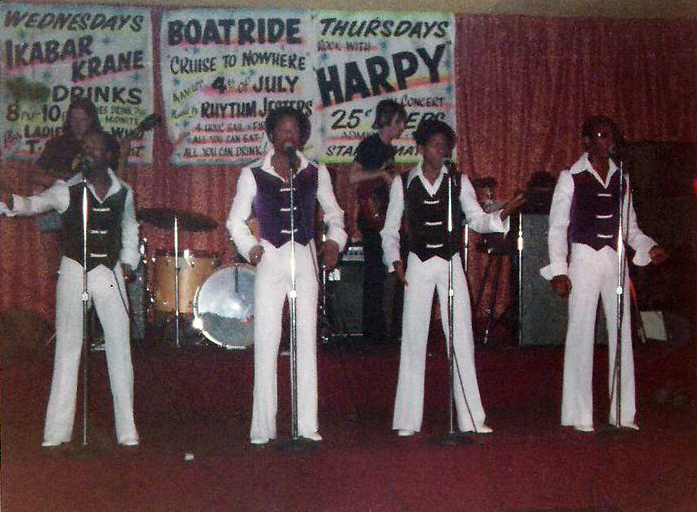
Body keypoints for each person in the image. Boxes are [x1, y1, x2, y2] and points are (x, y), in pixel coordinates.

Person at [381, 119, 524, 436]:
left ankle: (471, 417)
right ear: (420, 148)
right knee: (414, 337)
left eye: (445, 146)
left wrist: (504, 213)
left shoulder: (459, 182)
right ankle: (407, 420)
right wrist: (395, 260)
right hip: (418, 263)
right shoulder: (403, 183)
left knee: (461, 337)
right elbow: (390, 231)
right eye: (435, 145)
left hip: (450, 262)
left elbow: (477, 220)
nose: (441, 151)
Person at [0, 129, 140, 447]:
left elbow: (130, 227)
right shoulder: (67, 190)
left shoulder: (124, 192)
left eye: (96, 147)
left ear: (108, 155)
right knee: (67, 347)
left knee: (120, 348)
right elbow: (34, 204)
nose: (89, 151)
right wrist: (11, 201)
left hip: (110, 272)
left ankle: (127, 430)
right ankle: (57, 431)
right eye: (85, 147)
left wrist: (129, 261)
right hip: (75, 270)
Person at [227, 107, 347, 445]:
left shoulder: (315, 172)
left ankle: (306, 425)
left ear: (302, 136)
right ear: (271, 135)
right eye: (282, 130)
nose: (288, 136)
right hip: (270, 256)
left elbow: (335, 214)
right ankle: (263, 428)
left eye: (294, 130)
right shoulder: (252, 173)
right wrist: (249, 246)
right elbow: (235, 220)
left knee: (306, 339)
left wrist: (334, 242)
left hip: (304, 256)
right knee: (266, 339)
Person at [540, 115, 667, 433]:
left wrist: (649, 247)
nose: (607, 142)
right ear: (587, 141)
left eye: (610, 136)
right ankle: (578, 413)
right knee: (580, 332)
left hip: (614, 260)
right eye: (601, 136)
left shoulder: (622, 177)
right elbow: (557, 227)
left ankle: (622, 412)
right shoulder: (571, 176)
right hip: (584, 258)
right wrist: (559, 269)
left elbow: (630, 227)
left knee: (622, 332)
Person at [348, 99, 408, 342]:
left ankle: (381, 328)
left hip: (382, 215)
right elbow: (353, 176)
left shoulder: (386, 148)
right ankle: (374, 332)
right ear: (387, 121)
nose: (402, 127)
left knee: (381, 272)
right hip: (372, 217)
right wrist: (381, 173)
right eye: (399, 122)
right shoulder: (371, 145)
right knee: (375, 272)